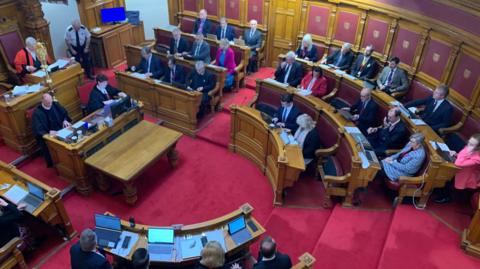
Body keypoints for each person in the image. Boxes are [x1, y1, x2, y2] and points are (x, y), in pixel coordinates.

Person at [435, 134, 480, 204]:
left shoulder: (477, 159)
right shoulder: (470, 148)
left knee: (447, 179)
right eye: (469, 142)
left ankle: (447, 197)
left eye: (472, 144)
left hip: (466, 177)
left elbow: (458, 163)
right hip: (459, 170)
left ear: (478, 148)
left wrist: (465, 152)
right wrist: (456, 154)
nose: (468, 145)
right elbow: (464, 158)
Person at [32, 93, 71, 167]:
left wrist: (65, 120)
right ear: (42, 101)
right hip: (49, 135)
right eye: (48, 103)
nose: (50, 104)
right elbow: (38, 129)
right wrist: (48, 132)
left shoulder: (55, 104)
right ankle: (60, 163)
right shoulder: (37, 113)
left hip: (61, 129)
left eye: (51, 102)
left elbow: (64, 113)